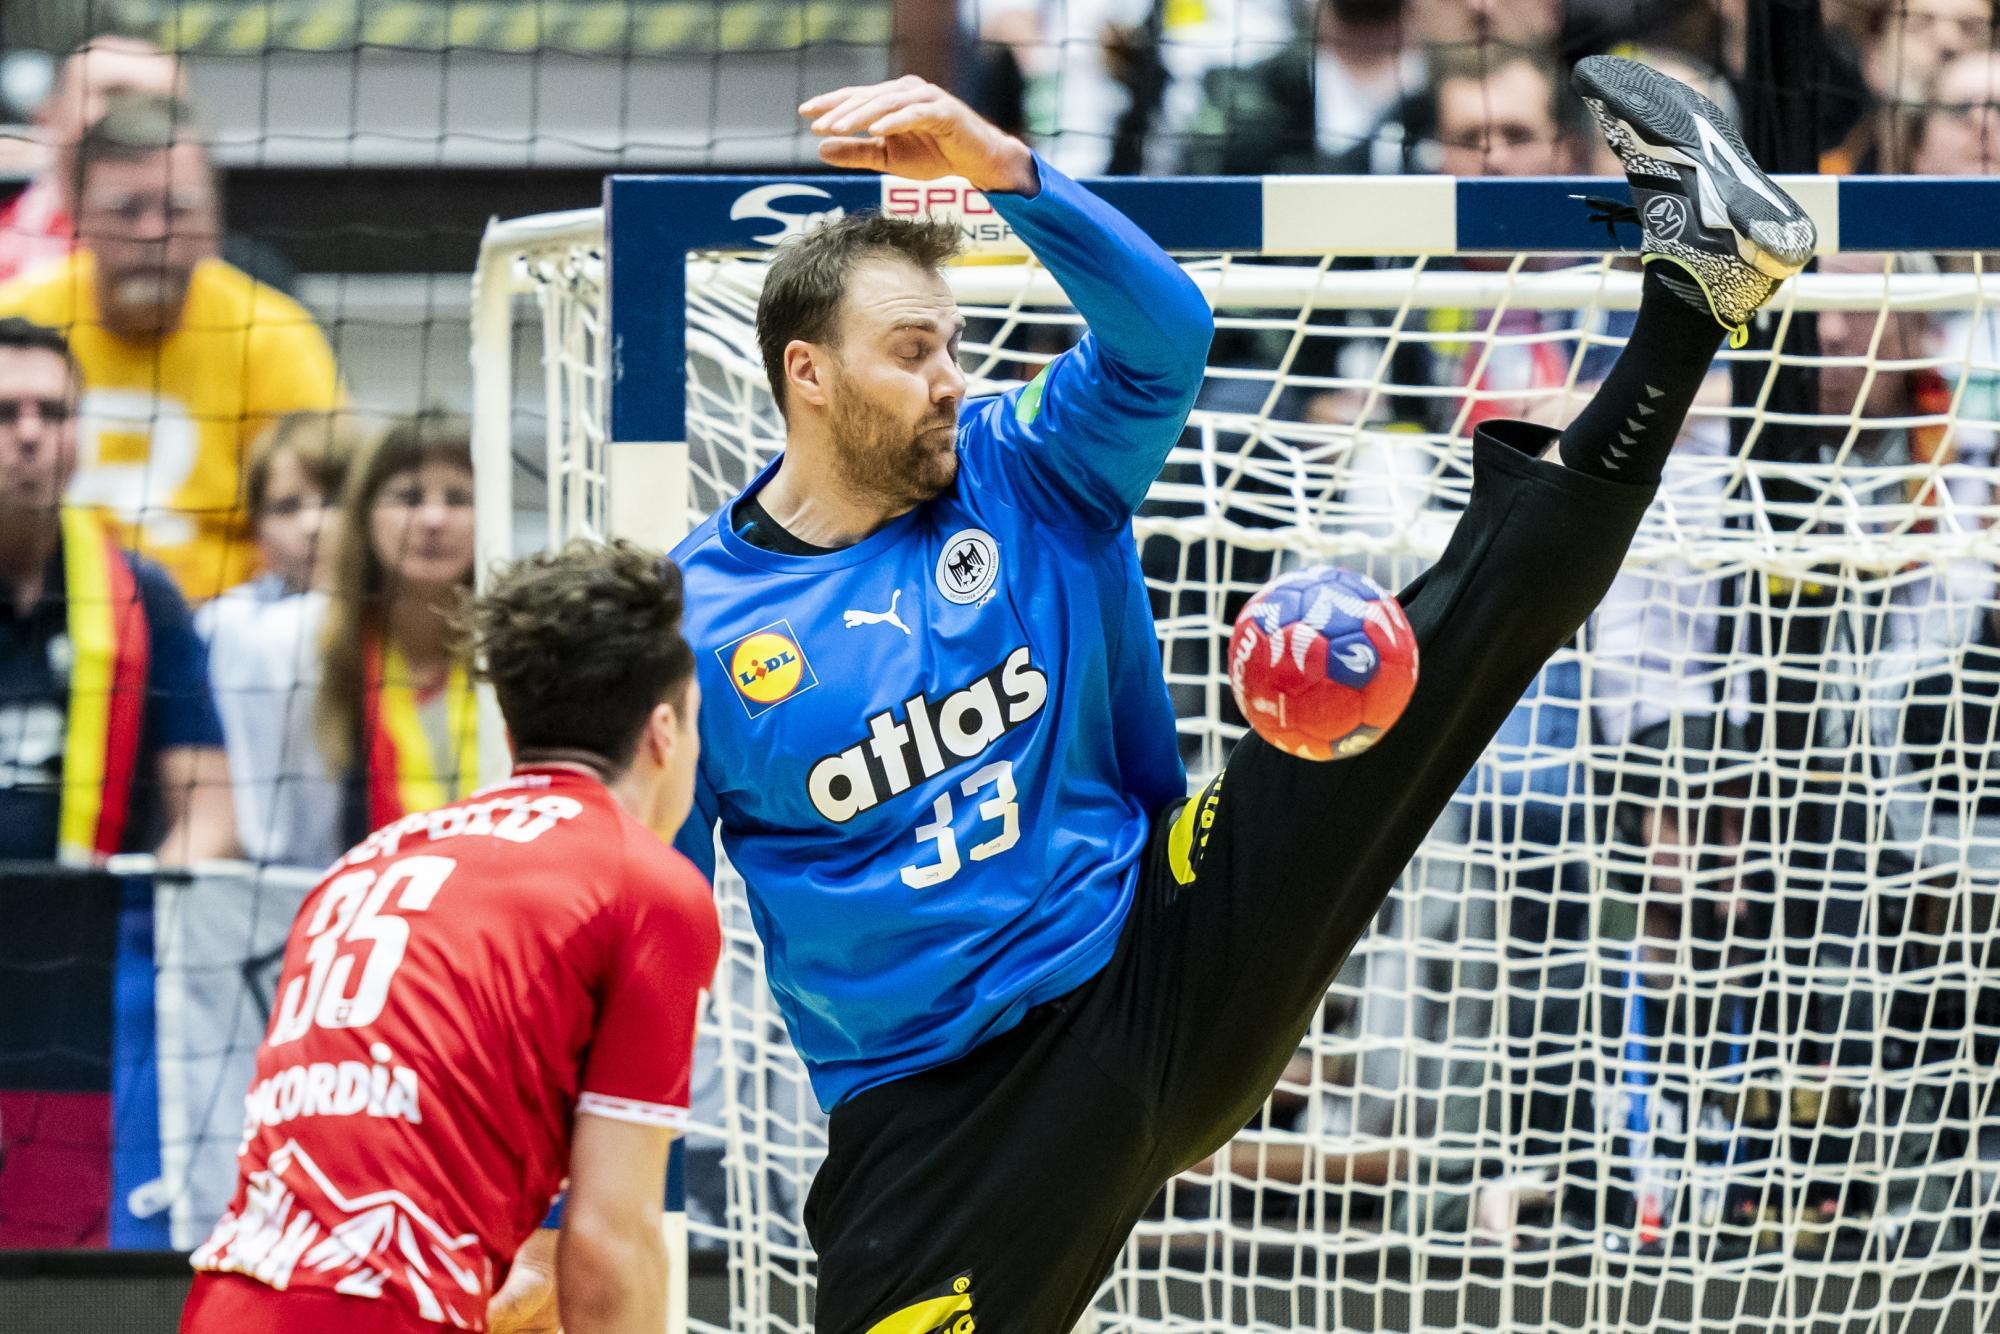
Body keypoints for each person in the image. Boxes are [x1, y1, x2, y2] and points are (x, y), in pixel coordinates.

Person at [646, 61, 1811, 1330]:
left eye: (955, 346)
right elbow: (649, 906)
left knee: (1428, 646)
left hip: (1158, 946)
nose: (949, 379)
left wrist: (1007, 169)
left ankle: (1699, 287)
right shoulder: (693, 623)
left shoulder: (1019, 464)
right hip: (944, 1108)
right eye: (913, 351)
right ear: (806, 374)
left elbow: (1167, 333)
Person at [180, 539, 721, 1334]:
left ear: (512, 734)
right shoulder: (643, 881)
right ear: (666, 732)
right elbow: (614, 1240)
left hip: (225, 1302)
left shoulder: (366, 862)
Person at [0, 92, 342, 604]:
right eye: (126, 209)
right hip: (41, 618)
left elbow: (332, 516)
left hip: (229, 633)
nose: (153, 233)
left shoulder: (275, 337)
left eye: (178, 208)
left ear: (216, 214)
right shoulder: (17, 323)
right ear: (76, 210)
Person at [0, 315, 233, 865]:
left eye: (54, 413)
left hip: (89, 939)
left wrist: (137, 907)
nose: (30, 435)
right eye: (5, 413)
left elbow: (213, 816)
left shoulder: (146, 596)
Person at [206, 411, 478, 869]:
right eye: (408, 497)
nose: (433, 518)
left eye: (458, 498)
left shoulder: (518, 653)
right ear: (365, 514)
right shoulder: (291, 644)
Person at [0, 35, 186, 284]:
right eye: (117, 96)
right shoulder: (9, 241)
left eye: (162, 106)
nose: (139, 122)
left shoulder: (233, 269)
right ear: (51, 115)